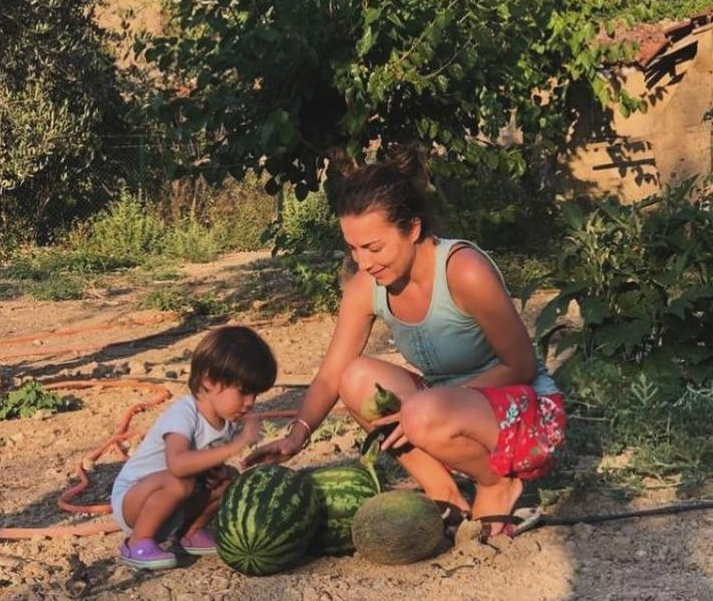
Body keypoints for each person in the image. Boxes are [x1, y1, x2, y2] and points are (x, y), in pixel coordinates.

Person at [244, 147, 565, 539]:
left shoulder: (464, 271)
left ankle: (496, 483)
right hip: (440, 413)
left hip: (528, 418)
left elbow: (521, 366)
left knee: (421, 411)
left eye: (374, 247)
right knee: (355, 377)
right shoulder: (366, 286)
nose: (363, 262)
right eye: (353, 248)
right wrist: (296, 436)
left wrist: (424, 405)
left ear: (413, 229)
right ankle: (443, 492)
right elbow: (331, 374)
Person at [111, 325, 276, 570]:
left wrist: (217, 473)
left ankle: (190, 532)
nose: (250, 402)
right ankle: (137, 542)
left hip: (176, 500)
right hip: (134, 501)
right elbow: (177, 465)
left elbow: (206, 464)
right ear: (209, 380)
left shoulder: (227, 421)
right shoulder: (184, 414)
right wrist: (235, 446)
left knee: (230, 479)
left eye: (255, 395)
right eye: (244, 392)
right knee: (180, 481)